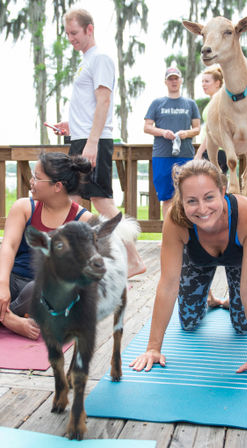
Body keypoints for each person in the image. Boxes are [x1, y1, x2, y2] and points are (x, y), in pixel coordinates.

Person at [130, 159, 247, 383]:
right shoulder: (175, 219)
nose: (202, 209)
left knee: (242, 326)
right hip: (198, 261)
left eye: (209, 197)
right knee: (188, 323)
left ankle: (231, 298)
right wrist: (153, 348)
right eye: (192, 201)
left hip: (240, 262)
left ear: (222, 191)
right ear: (182, 200)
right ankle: (208, 297)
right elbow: (168, 284)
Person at [54, 8, 145, 278]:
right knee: (74, 200)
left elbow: (104, 100)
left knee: (100, 201)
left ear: (89, 29)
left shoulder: (101, 58)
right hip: (82, 138)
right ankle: (79, 261)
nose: (70, 38)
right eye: (67, 33)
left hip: (94, 142)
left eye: (74, 33)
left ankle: (134, 259)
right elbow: (90, 105)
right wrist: (70, 125)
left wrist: (92, 142)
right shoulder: (85, 61)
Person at [0, 152, 93, 340]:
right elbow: (9, 246)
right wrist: (2, 285)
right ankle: (10, 319)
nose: (31, 181)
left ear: (57, 186)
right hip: (11, 283)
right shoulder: (23, 206)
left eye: (37, 178)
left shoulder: (83, 221)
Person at [144, 66, 201, 220]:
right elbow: (147, 127)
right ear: (166, 82)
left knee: (188, 197)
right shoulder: (157, 103)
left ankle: (188, 236)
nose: (174, 81)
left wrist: (186, 133)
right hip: (162, 156)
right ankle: (168, 236)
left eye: (176, 78)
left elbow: (197, 129)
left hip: (185, 155)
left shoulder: (190, 104)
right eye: (170, 79)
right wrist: (163, 132)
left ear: (181, 81)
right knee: (167, 198)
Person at [195, 66, 228, 175]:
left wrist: (199, 154)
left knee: (212, 187)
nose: (203, 84)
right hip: (213, 151)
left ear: (218, 83)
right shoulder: (215, 101)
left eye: (207, 81)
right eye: (202, 81)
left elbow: (212, 131)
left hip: (215, 152)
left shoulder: (218, 102)